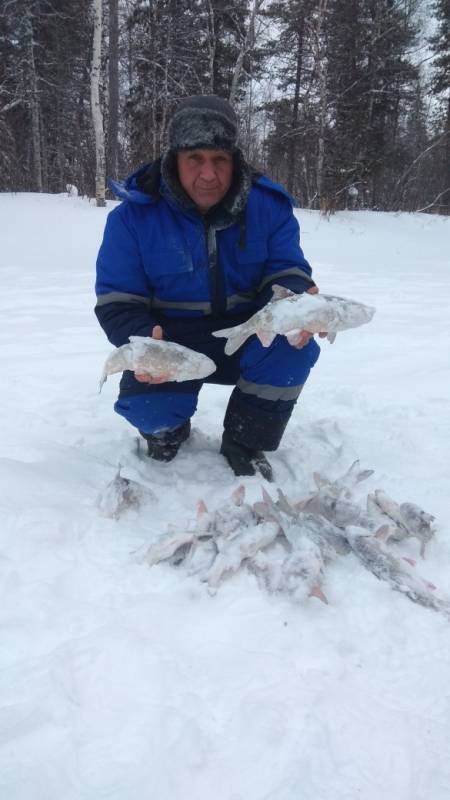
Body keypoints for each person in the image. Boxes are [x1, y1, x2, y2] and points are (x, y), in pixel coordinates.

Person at [95, 95, 321, 481]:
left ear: (235, 160)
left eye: (220, 159)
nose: (208, 174)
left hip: (249, 334)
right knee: (151, 411)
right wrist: (146, 340)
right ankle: (168, 429)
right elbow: (117, 299)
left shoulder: (269, 206)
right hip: (173, 343)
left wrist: (294, 300)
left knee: (293, 346)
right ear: (174, 159)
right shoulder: (132, 217)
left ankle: (245, 441)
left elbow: (286, 269)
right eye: (195, 159)